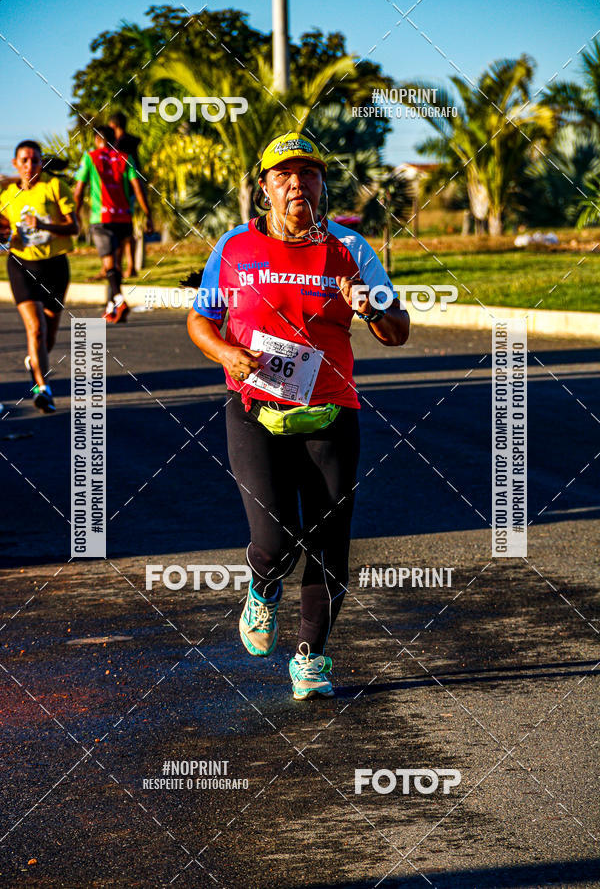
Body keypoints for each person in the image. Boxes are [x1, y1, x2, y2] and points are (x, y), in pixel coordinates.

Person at [187, 132, 409, 700]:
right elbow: (200, 320)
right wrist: (225, 352)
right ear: (264, 188)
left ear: (321, 183)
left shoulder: (351, 249)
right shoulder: (233, 248)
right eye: (283, 176)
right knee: (275, 535)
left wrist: (369, 305)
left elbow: (396, 332)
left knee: (331, 540)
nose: (296, 185)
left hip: (331, 409)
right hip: (253, 404)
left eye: (307, 174)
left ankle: (312, 656)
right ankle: (263, 586)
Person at [0, 140, 79, 413]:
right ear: (15, 164)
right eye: (24, 160)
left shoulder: (55, 186)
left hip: (55, 267)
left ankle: (35, 362)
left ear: (41, 162)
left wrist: (42, 224)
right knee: (35, 328)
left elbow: (73, 227)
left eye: (35, 160)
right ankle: (43, 390)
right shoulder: (7, 193)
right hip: (21, 265)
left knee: (48, 337)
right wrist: (6, 236)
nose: (30, 165)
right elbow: (2, 230)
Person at [73, 126, 152, 323]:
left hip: (102, 220)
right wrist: (147, 213)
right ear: (113, 140)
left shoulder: (90, 157)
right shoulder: (125, 157)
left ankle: (119, 300)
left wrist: (74, 214)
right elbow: (137, 187)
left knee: (109, 266)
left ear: (97, 140)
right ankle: (111, 309)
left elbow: (79, 189)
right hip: (123, 218)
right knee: (115, 267)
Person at [108, 112, 144, 279]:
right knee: (128, 231)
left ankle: (122, 267)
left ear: (113, 126)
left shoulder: (118, 144)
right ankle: (129, 267)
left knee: (123, 232)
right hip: (133, 188)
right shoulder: (132, 141)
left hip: (123, 191)